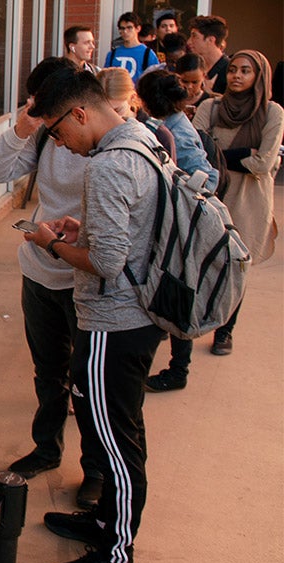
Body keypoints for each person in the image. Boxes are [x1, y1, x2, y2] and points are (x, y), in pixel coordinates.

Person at [24, 67, 164, 563]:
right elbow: (130, 231)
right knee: (116, 429)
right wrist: (85, 229)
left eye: (59, 132)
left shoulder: (108, 165)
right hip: (139, 311)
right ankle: (105, 522)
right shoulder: (139, 139)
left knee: (114, 441)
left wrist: (51, 243)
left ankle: (117, 556)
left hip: (116, 319)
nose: (62, 144)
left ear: (80, 112)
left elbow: (106, 263)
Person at [0, 57, 105, 508]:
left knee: (88, 380)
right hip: (40, 270)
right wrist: (22, 128)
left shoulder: (103, 143)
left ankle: (96, 470)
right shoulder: (46, 136)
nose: (55, 132)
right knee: (48, 371)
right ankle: (47, 448)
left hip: (83, 278)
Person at [191, 50, 283, 355]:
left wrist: (219, 153)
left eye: (246, 71)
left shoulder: (272, 113)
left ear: (259, 76)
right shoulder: (211, 106)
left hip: (248, 201)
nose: (237, 76)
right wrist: (244, 154)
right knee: (201, 261)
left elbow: (263, 164)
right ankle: (191, 319)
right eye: (233, 69)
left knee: (236, 265)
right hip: (213, 197)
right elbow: (197, 152)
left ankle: (224, 330)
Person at [135, 70, 221, 394]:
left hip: (184, 227)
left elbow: (205, 179)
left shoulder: (176, 132)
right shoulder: (172, 123)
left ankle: (178, 369)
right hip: (179, 224)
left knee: (177, 296)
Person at [98, 67, 176, 156]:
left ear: (132, 98)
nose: (110, 119)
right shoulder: (93, 134)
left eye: (117, 110)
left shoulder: (160, 135)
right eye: (102, 112)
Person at [104, 12, 159, 83]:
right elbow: (105, 78)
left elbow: (155, 80)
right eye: (122, 28)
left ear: (138, 28)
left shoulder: (148, 54)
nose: (125, 31)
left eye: (129, 28)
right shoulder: (112, 54)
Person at [186, 16, 230, 95]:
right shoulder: (194, 66)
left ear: (211, 40)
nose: (189, 42)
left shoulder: (229, 70)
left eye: (194, 36)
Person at [176, 54, 212, 118]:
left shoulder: (210, 102)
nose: (189, 86)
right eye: (185, 81)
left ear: (204, 76)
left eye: (195, 82)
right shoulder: (169, 100)